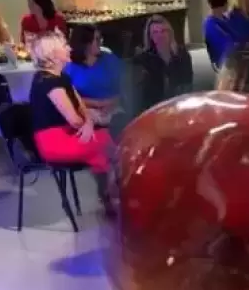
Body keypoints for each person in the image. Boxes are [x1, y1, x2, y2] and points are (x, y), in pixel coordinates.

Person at [28, 35, 115, 213]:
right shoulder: (48, 82)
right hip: (54, 140)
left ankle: (109, 196)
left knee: (107, 139)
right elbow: (74, 120)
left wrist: (89, 122)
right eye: (64, 46)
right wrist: (87, 123)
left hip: (68, 132)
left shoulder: (62, 77)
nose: (69, 49)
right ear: (52, 54)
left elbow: (81, 107)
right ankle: (112, 196)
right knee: (108, 145)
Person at [64, 24, 124, 132]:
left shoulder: (110, 59)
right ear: (85, 43)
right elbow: (69, 97)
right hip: (85, 111)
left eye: (100, 38)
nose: (100, 42)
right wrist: (99, 104)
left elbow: (125, 87)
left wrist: (111, 103)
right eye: (96, 39)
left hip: (114, 109)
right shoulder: (69, 67)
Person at [131, 14, 194, 113]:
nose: (160, 36)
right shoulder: (143, 59)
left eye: (163, 31)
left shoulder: (182, 54)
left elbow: (188, 84)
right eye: (155, 32)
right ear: (150, 36)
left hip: (180, 105)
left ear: (170, 33)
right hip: (155, 109)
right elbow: (142, 96)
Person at [202, 0, 236, 69]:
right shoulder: (210, 24)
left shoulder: (224, 19)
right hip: (225, 61)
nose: (228, 4)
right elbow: (224, 45)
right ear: (221, 4)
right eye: (227, 2)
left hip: (235, 56)